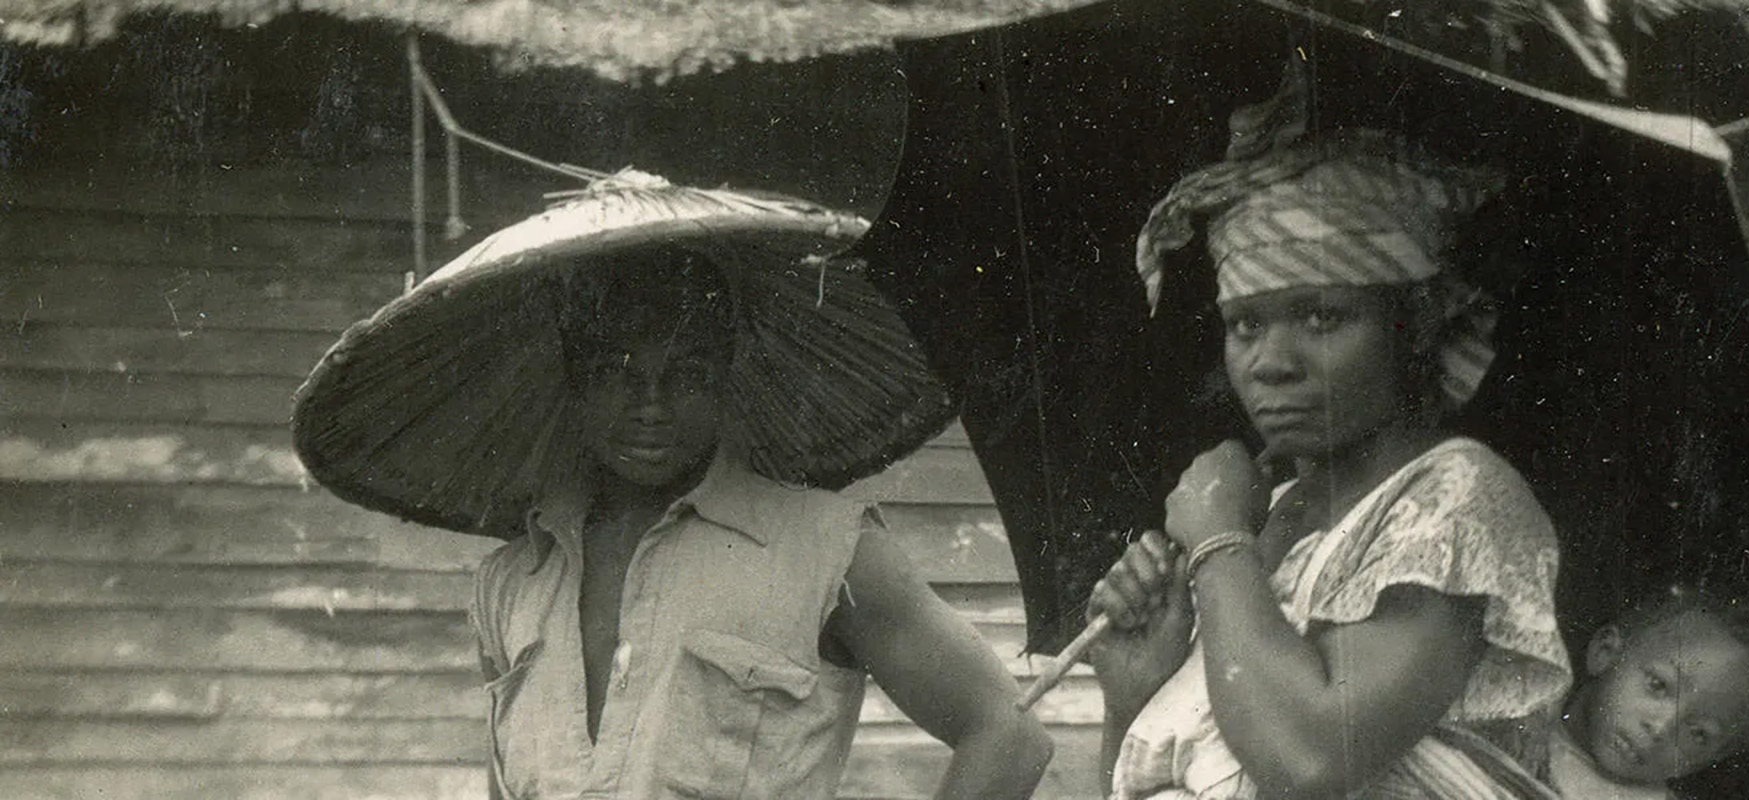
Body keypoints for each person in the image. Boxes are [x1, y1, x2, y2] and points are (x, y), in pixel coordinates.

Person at [1085, 103, 1573, 798]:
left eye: (1321, 316)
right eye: (1245, 324)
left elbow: (1310, 759)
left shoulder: (1459, 500)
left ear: (1416, 323)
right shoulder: (1274, 509)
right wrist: (1133, 692)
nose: (1270, 363)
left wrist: (1220, 538)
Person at [466, 247, 1053, 800]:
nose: (651, 405)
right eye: (615, 371)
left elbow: (1010, 737)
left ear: (726, 376)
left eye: (687, 374)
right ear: (575, 382)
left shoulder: (828, 549)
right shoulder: (513, 581)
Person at [1551, 586, 1749, 799]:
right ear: (1605, 652)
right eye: (1658, 686)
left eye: (1699, 733)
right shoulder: (1519, 722)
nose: (1661, 727)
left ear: (1719, 754)